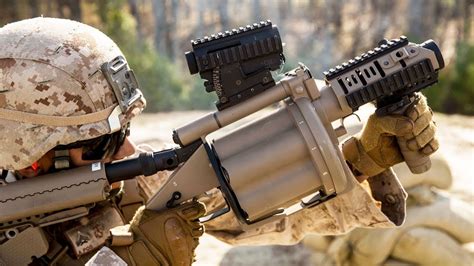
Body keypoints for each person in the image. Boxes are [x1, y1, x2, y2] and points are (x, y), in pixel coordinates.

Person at [0, 17, 205, 265]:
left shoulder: (134, 179)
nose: (127, 150)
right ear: (30, 162)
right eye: (99, 143)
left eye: (122, 131)